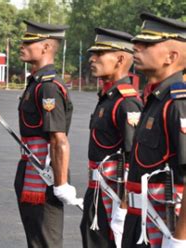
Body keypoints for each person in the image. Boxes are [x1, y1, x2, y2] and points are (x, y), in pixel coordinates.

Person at [15, 20, 82, 248]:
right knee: (36, 239)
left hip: (45, 174)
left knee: (46, 241)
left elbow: (58, 139)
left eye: (28, 42)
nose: (21, 45)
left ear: (45, 47)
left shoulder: (49, 87)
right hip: (31, 168)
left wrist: (61, 183)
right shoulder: (36, 83)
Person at [121, 13, 186, 248]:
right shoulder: (154, 99)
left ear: (171, 56)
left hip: (163, 226)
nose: (136, 48)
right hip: (139, 222)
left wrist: (180, 238)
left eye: (147, 44)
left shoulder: (178, 102)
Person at [79, 28, 143, 248]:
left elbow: (133, 159)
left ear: (120, 59)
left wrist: (123, 208)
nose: (92, 58)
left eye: (100, 53)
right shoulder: (109, 97)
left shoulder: (126, 102)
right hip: (97, 190)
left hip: (112, 198)